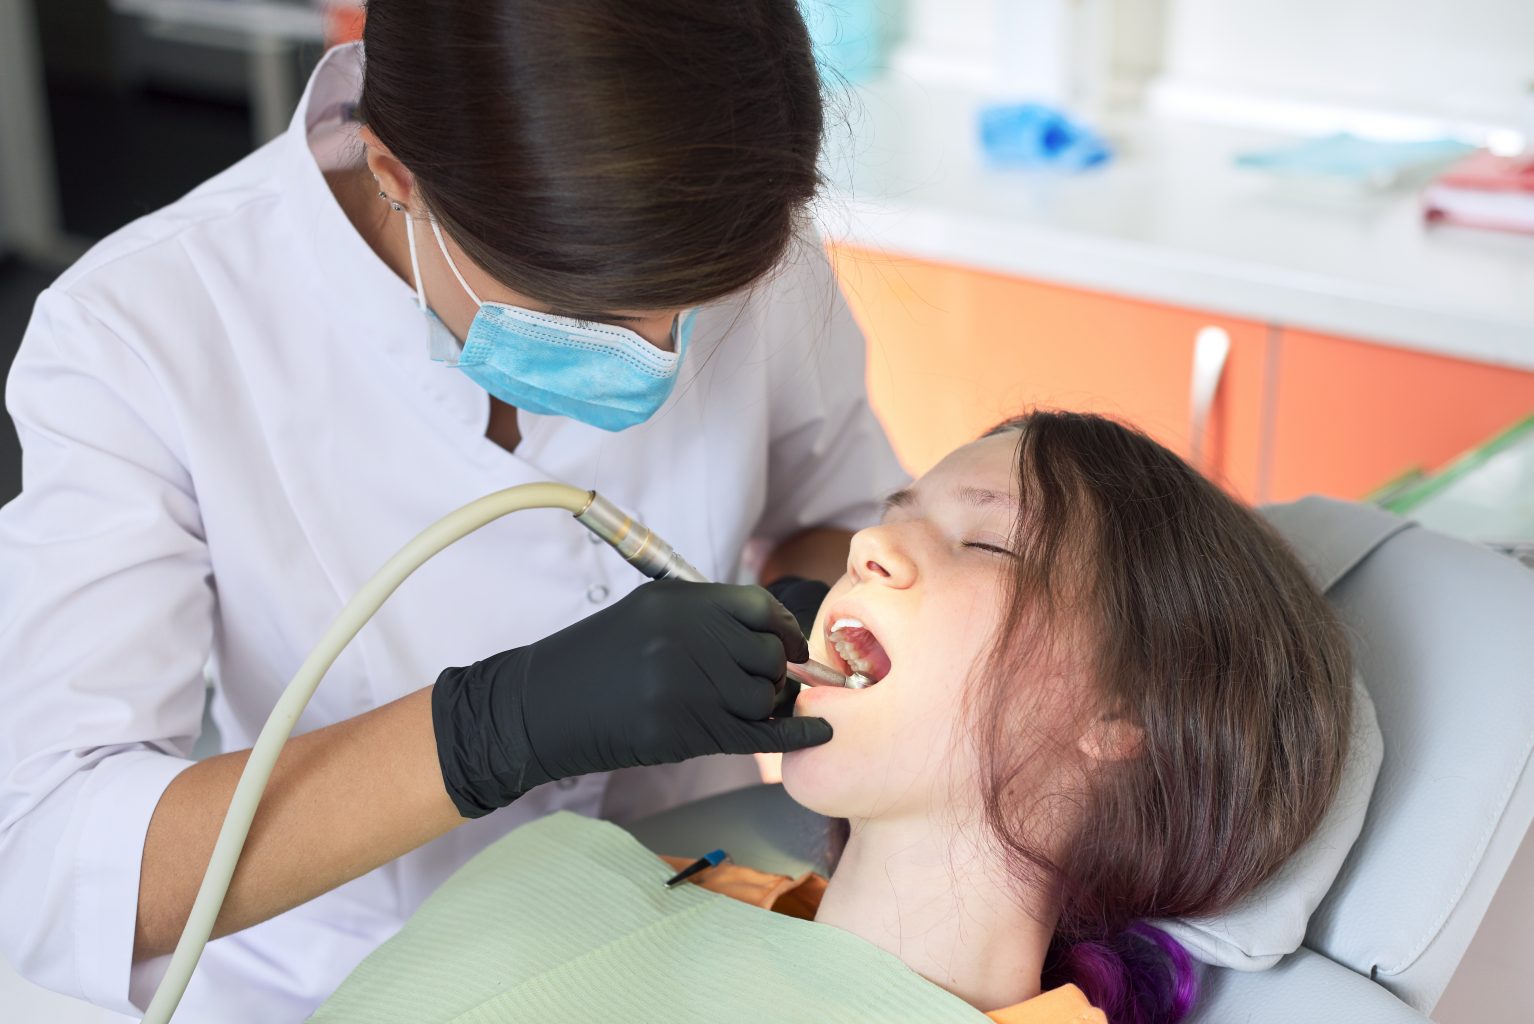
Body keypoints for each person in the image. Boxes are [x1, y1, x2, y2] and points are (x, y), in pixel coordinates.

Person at [0, 3, 904, 1019]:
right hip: (347, 984)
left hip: (693, 928)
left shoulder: (714, 205)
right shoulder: (141, 333)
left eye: (691, 311)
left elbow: (840, 508)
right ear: (395, 175)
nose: (657, 351)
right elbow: (55, 858)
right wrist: (491, 728)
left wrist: (811, 605)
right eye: (588, 310)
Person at [318, 411, 1355, 1024]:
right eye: (896, 511)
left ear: (1126, 711)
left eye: (988, 544)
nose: (864, 548)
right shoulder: (579, 868)